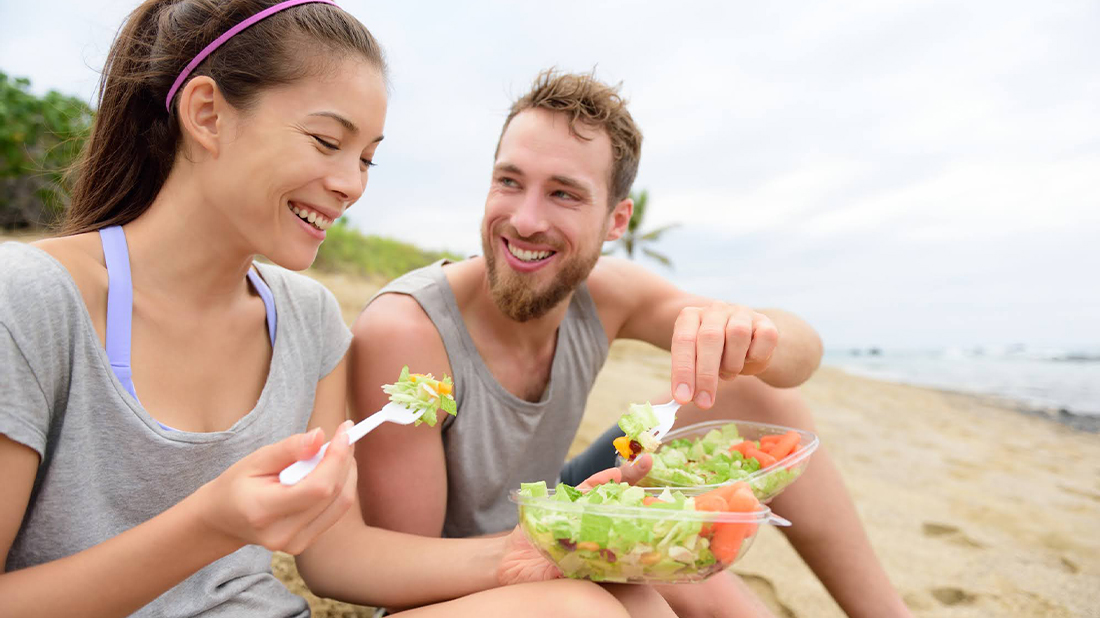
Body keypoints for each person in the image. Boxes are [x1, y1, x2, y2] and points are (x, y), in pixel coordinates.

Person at [0, 3, 675, 617]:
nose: (350, 184)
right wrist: (212, 522)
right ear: (207, 114)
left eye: (368, 160)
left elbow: (336, 557)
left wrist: (536, 548)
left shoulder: (307, 317)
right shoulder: (33, 300)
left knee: (616, 601)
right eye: (327, 142)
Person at [350, 70, 913, 617]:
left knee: (764, 399)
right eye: (510, 181)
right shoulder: (410, 330)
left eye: (564, 194)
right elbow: (404, 584)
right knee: (680, 591)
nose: (524, 219)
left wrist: (753, 335)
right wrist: (589, 552)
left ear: (616, 221)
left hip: (557, 495)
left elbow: (802, 354)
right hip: (464, 572)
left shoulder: (608, 293)